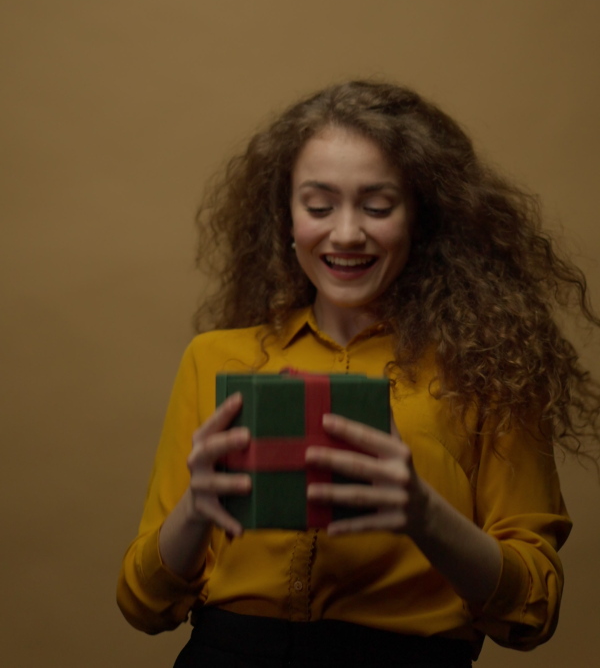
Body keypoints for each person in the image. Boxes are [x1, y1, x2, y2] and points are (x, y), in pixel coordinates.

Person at [117, 80, 600, 667]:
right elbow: (142, 606)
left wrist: (420, 512)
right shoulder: (215, 359)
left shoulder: (492, 372)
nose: (346, 233)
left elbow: (532, 613)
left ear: (421, 217)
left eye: (377, 206)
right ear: (287, 219)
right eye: (318, 206)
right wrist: (197, 505)